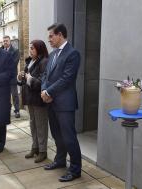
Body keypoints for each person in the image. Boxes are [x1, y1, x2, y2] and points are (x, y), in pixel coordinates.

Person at [41, 23, 82, 182]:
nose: (49, 39)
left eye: (51, 36)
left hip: (65, 104)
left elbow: (67, 78)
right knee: (57, 135)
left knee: (69, 137)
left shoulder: (73, 54)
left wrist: (49, 91)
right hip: (51, 102)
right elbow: (45, 75)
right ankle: (59, 161)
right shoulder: (52, 55)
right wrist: (44, 90)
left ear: (60, 35)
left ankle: (75, 169)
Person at [17, 40, 49, 163]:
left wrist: (29, 78)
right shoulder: (30, 61)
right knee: (33, 124)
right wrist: (20, 77)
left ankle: (42, 151)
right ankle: (35, 147)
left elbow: (42, 82)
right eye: (30, 48)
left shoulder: (44, 62)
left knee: (41, 125)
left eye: (32, 48)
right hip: (30, 98)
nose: (30, 50)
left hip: (39, 99)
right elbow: (25, 79)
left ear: (39, 49)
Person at [2, 35, 20, 118]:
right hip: (3, 78)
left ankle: (17, 110)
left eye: (7, 41)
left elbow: (14, 63)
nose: (5, 42)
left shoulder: (15, 51)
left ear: (10, 41)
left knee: (14, 94)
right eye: (4, 41)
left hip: (12, 77)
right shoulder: (1, 51)